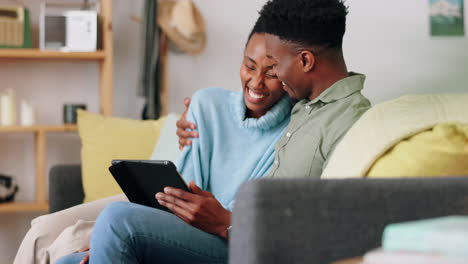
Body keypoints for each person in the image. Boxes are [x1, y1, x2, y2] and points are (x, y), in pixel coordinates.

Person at [55, 28, 293, 264]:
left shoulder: (296, 129)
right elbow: (185, 186)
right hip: (185, 227)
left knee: (116, 217)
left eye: (271, 73)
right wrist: (107, 241)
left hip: (229, 240)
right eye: (250, 66)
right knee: (67, 262)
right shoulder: (207, 103)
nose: (256, 81)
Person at [179, 0, 371, 178]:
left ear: (305, 61)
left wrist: (224, 217)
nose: (274, 76)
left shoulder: (350, 121)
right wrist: (199, 116)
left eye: (274, 67)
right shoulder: (304, 104)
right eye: (250, 66)